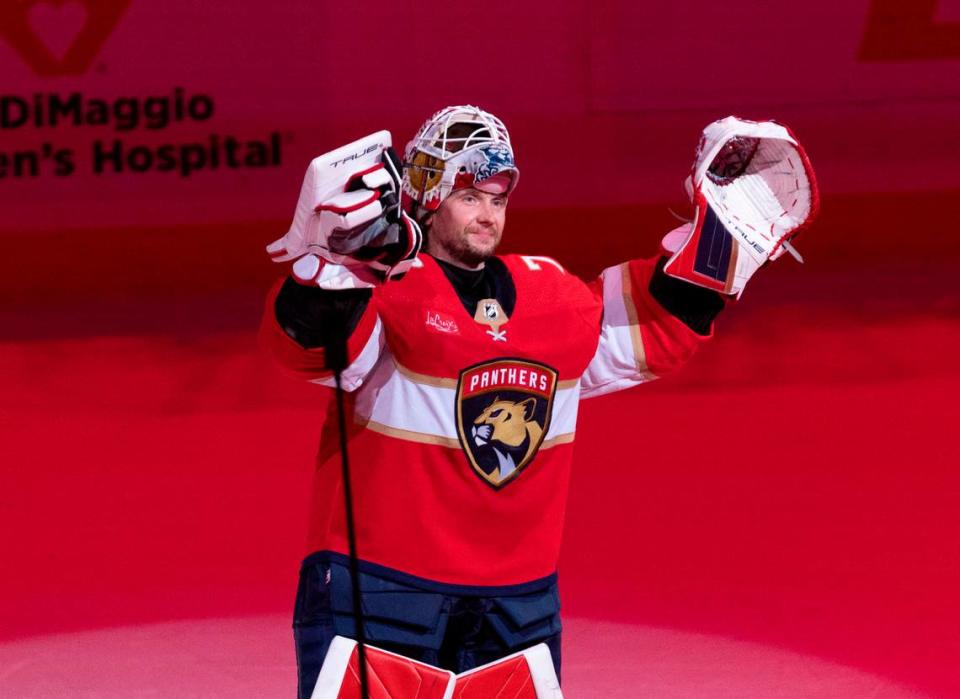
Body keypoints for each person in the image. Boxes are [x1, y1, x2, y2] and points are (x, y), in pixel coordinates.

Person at [261, 105, 816, 698]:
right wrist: (330, 268)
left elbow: (648, 327)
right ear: (426, 193)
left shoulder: (550, 294)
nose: (487, 215)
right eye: (470, 196)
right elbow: (314, 349)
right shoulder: (387, 289)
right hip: (379, 587)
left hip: (517, 601)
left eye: (497, 200)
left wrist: (720, 251)